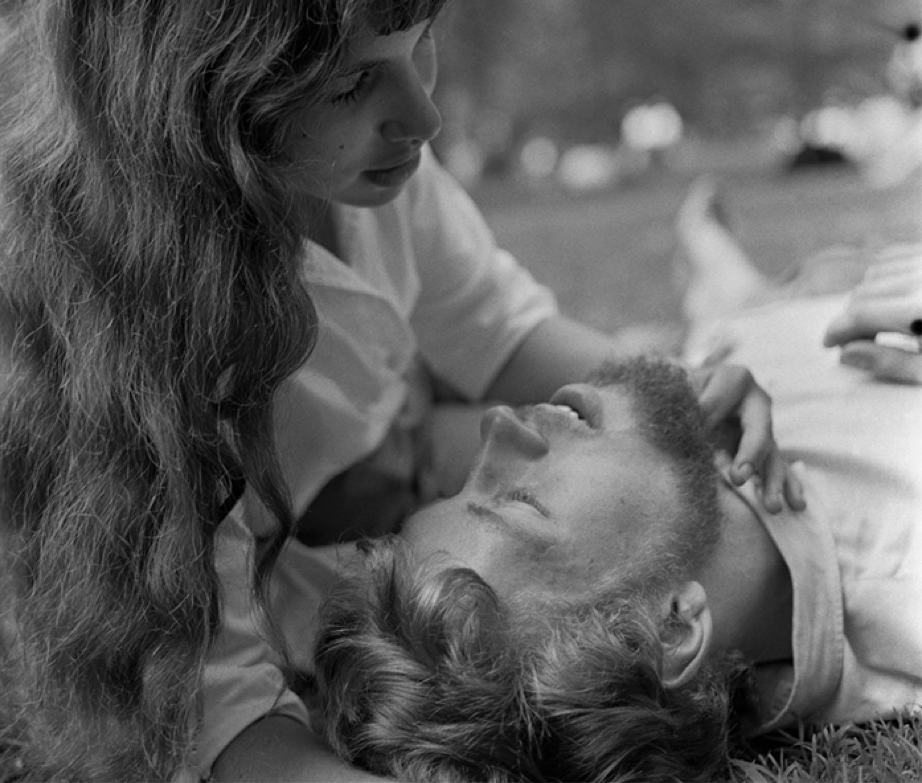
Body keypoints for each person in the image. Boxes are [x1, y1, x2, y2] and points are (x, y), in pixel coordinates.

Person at [0, 0, 794, 781]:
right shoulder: (147, 341)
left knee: (448, 444)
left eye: (419, 51)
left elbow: (506, 337)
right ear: (201, 114)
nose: (422, 121)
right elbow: (228, 725)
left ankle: (712, 295)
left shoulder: (376, 185)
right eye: (353, 84)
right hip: (271, 547)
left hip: (365, 478)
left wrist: (669, 397)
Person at [313, 198, 922, 782]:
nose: (499, 428)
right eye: (521, 502)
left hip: (756, 339)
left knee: (771, 301)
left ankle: (729, 287)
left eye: (469, 480)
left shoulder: (691, 445)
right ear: (671, 629)